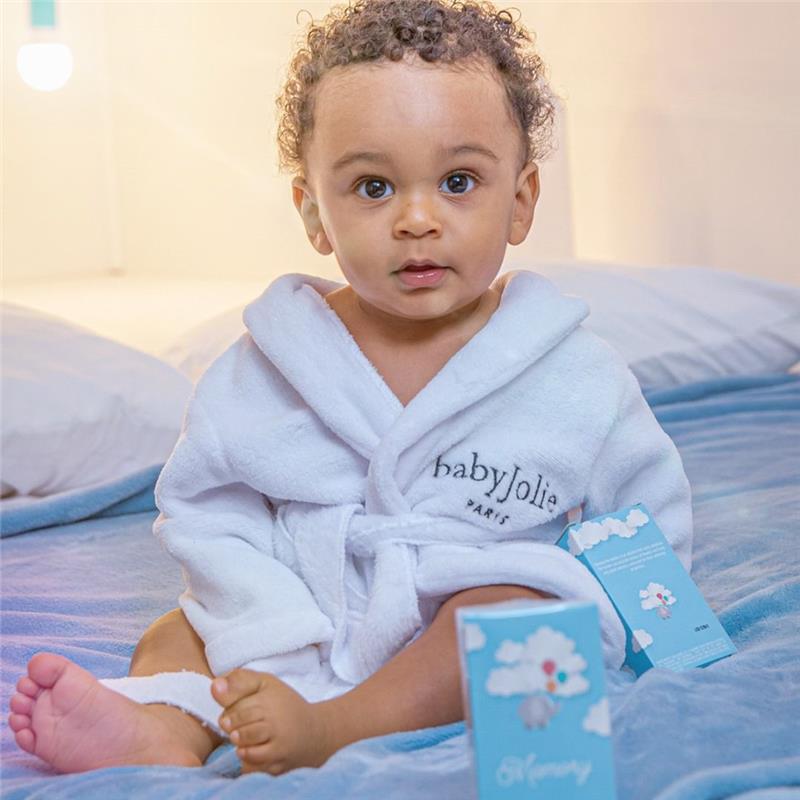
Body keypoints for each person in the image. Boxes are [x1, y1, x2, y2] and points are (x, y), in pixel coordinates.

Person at [8, 0, 693, 778]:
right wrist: (267, 615)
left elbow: (644, 513)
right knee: (182, 628)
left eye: (459, 181)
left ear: (521, 200)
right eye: (373, 187)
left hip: (464, 609)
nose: (417, 219)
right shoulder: (267, 366)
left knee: (513, 609)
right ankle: (163, 726)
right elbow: (208, 513)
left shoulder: (571, 371)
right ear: (314, 213)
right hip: (308, 605)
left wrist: (654, 627)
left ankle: (335, 726)